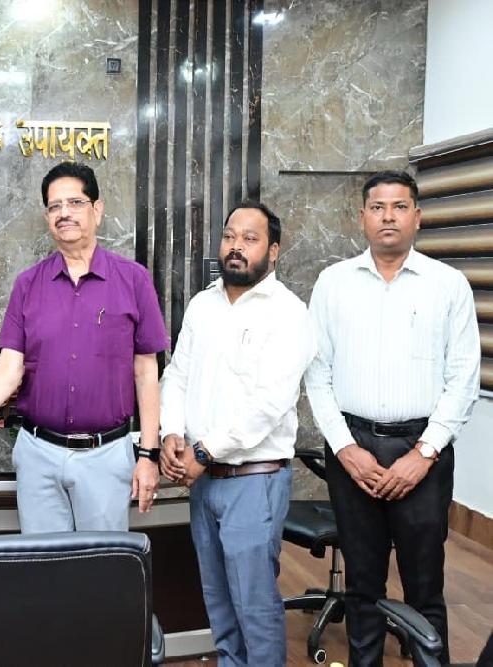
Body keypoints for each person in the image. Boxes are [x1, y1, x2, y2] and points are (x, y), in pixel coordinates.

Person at [0, 162, 169, 532]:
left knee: (100, 562)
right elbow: (9, 369)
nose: (64, 213)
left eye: (75, 202)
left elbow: (146, 371)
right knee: (42, 564)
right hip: (38, 455)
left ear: (97, 209)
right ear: (47, 217)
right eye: (55, 206)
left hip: (106, 456)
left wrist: (148, 454)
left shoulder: (133, 279)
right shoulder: (28, 284)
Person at [305, 170, 480, 666]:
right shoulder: (334, 283)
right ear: (362, 217)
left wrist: (424, 454)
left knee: (425, 586)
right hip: (352, 450)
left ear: (417, 217)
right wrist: (346, 449)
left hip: (422, 452)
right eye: (378, 207)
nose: (388, 216)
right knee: (362, 584)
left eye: (400, 207)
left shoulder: (448, 285)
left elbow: (463, 378)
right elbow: (317, 374)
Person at [159, 202, 315, 666]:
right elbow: (177, 376)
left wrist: (203, 451)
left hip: (254, 480)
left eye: (250, 238)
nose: (236, 246)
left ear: (274, 250)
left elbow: (268, 404)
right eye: (230, 236)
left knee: (254, 606)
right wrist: (171, 433)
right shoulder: (202, 305)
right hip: (204, 480)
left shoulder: (289, 313)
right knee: (218, 601)